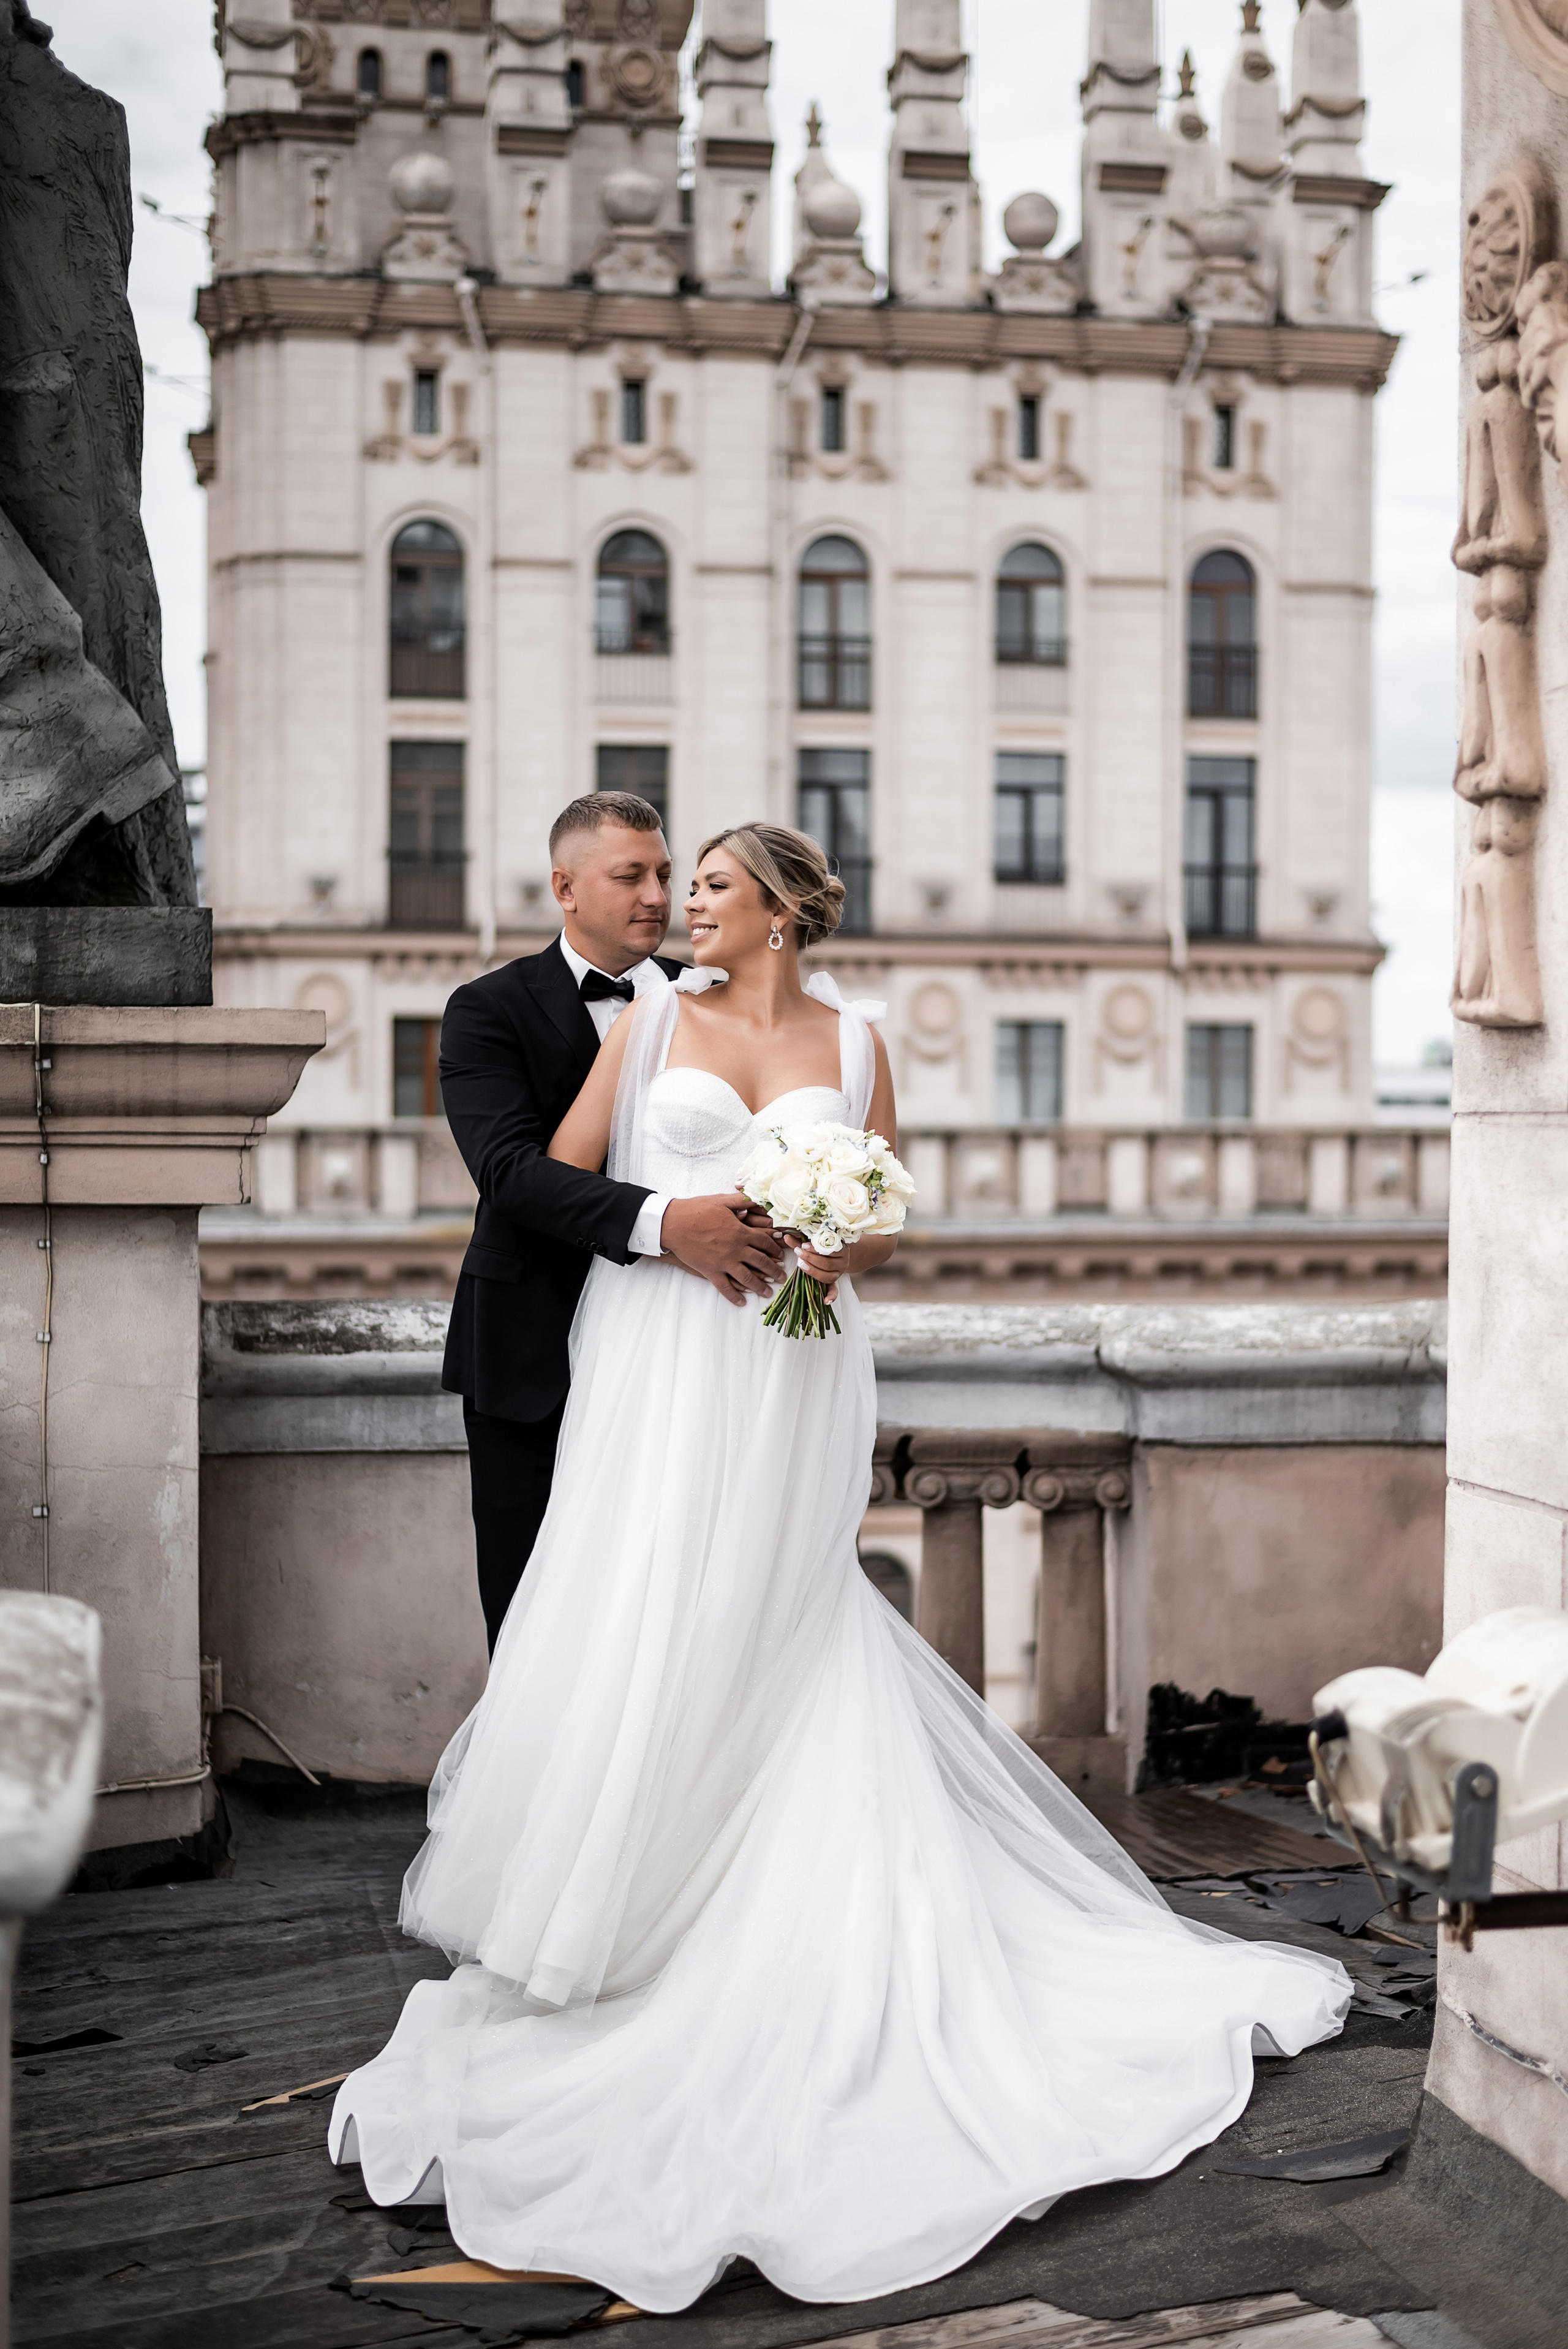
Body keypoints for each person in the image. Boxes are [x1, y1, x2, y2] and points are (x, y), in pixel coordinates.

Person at [333, 823, 1351, 2311]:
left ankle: (792, 1914)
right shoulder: (657, 1018)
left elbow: (881, 1216)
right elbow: (554, 1177)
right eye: (669, 887)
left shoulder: (859, 1039)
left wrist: (832, 1235)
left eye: (708, 888)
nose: (683, 903)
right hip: (656, 1352)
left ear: (780, 914)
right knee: (648, 1611)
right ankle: (622, 1907)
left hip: (791, 1362)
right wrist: (679, 1231)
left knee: (781, 1608)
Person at [438, 791, 786, 1651]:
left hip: (688, 1352)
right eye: (631, 876)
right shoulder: (485, 1009)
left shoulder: (714, 1003)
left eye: (667, 875)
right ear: (565, 886)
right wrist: (667, 1224)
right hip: (532, 1355)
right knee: (532, 1623)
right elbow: (512, 1174)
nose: (660, 897)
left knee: (674, 1615)